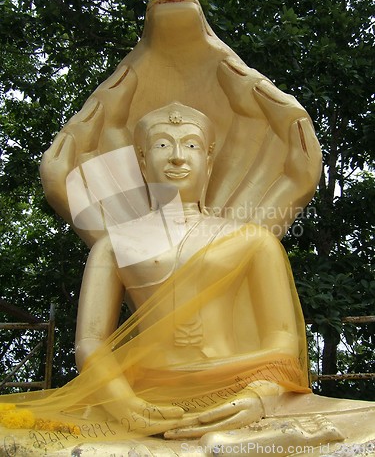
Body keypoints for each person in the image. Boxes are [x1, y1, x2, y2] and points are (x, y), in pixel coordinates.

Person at [72, 102, 310, 438]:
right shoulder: (113, 246)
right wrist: (123, 404)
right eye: (163, 144)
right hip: (146, 388)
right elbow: (90, 341)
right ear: (142, 161)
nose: (178, 157)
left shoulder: (253, 241)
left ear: (209, 161)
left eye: (192, 145)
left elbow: (283, 338)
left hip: (236, 384)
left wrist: (261, 395)